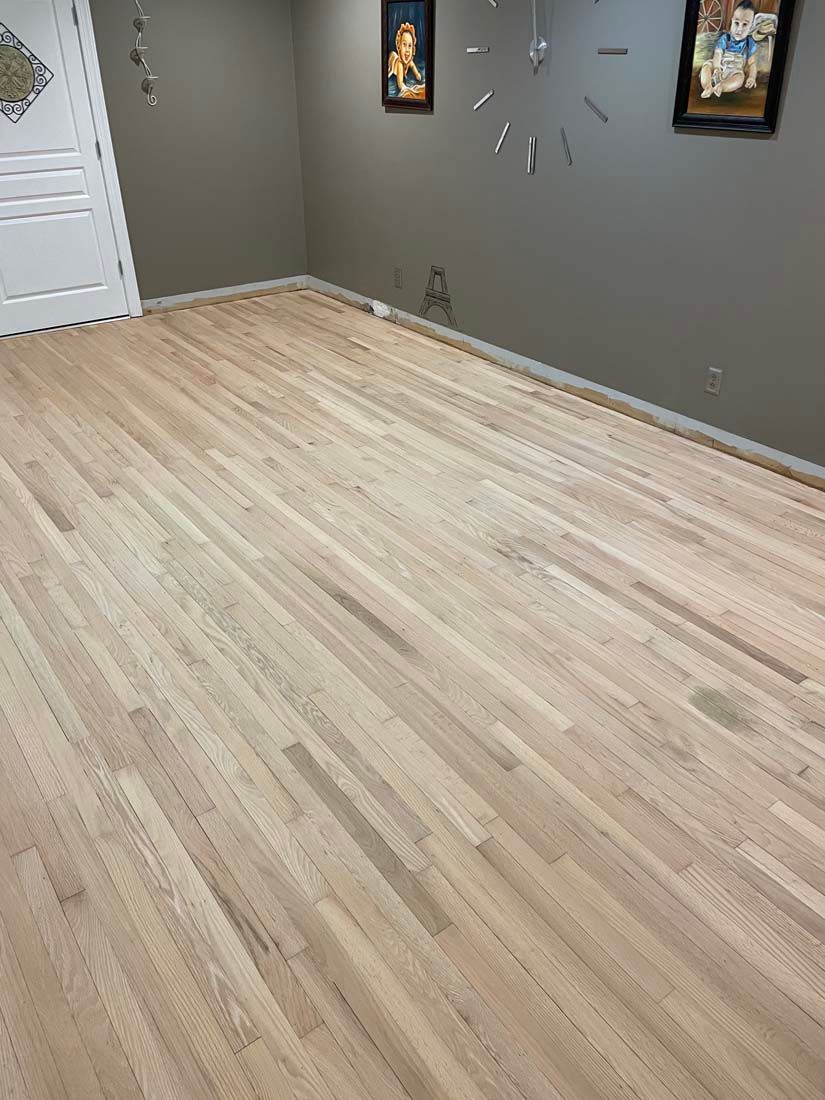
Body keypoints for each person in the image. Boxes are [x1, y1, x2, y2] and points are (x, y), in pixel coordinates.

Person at [700, 1, 759, 99]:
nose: (739, 29)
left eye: (745, 25)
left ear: (751, 27)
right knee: (706, 66)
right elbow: (718, 53)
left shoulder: (750, 43)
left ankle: (722, 87)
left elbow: (752, 63)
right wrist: (716, 67)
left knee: (740, 78)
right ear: (731, 21)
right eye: (736, 23)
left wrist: (752, 77)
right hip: (719, 66)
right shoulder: (725, 38)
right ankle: (707, 87)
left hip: (734, 71)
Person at [388, 22, 423, 98]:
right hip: (394, 60)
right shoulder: (400, 64)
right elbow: (400, 83)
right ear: (399, 46)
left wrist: (417, 74)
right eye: (404, 44)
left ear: (413, 49)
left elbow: (413, 67)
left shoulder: (410, 61)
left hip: (396, 57)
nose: (407, 50)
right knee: (392, 59)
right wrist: (405, 88)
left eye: (410, 46)